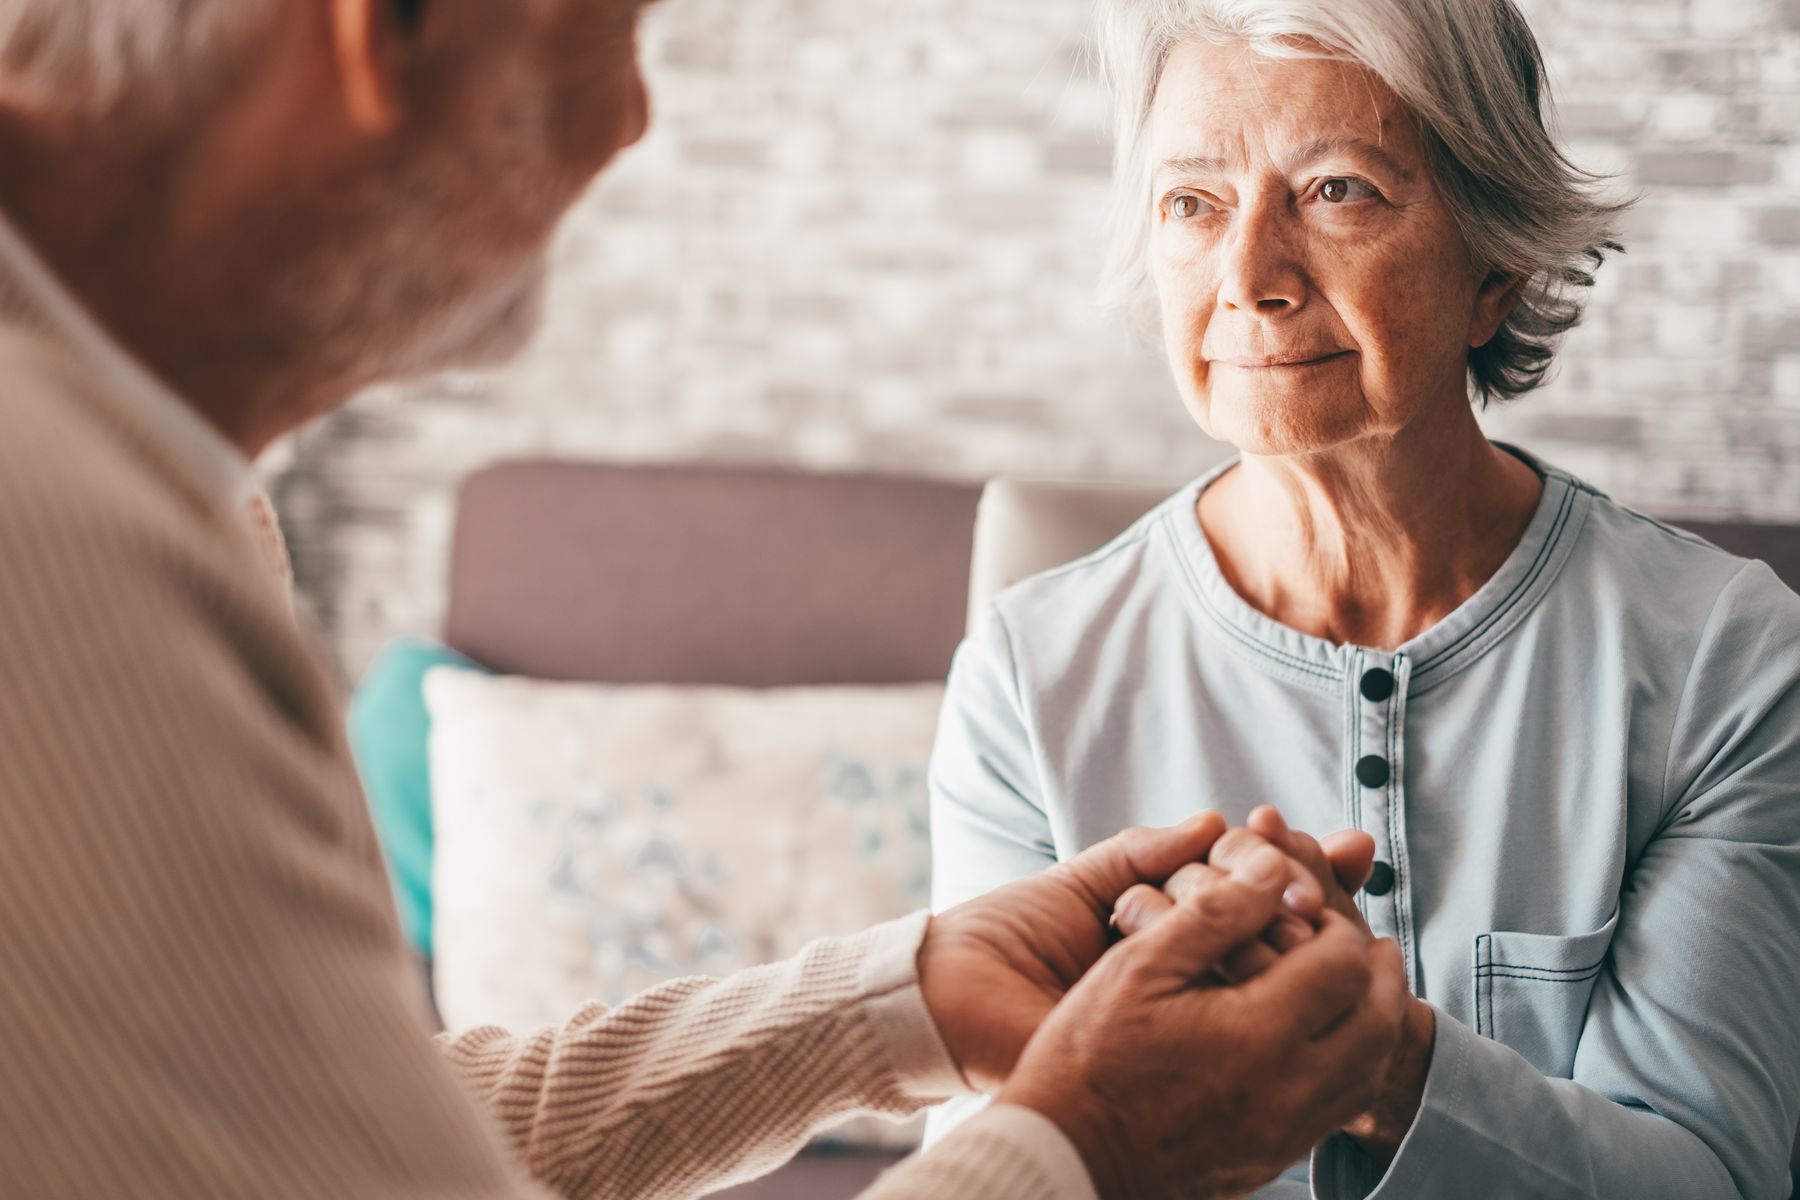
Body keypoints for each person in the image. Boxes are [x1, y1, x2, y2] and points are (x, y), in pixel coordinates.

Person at [0, 2, 1411, 1198]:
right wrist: (1086, 1146)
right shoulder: (60, 544)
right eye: (612, 31)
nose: (627, 121)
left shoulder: (138, 468)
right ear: (381, 31)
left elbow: (333, 1140)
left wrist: (886, 1001)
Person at [927, 0, 1800, 1196]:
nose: (1250, 278)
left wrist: (1389, 1061)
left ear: (1497, 265)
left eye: (1337, 190)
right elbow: (994, 1153)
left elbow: (1710, 1177)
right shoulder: (1031, 672)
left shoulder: (1725, 660)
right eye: (1193, 202)